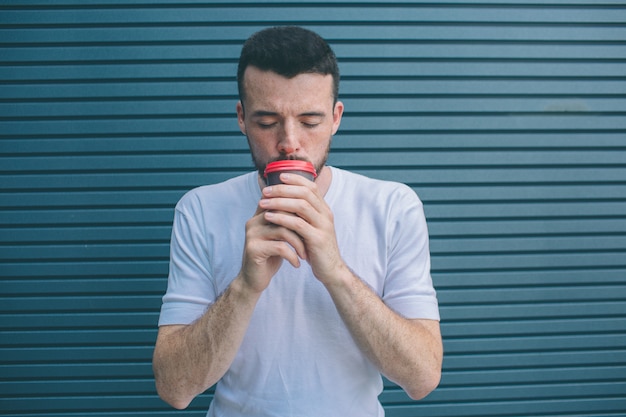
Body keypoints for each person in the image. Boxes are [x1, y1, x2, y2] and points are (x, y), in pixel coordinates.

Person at [152, 26, 443, 416]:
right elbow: (174, 389)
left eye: (309, 121)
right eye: (267, 121)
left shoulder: (393, 206)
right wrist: (244, 287)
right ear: (241, 117)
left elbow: (422, 377)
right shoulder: (200, 209)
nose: (290, 141)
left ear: (336, 118)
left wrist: (336, 271)